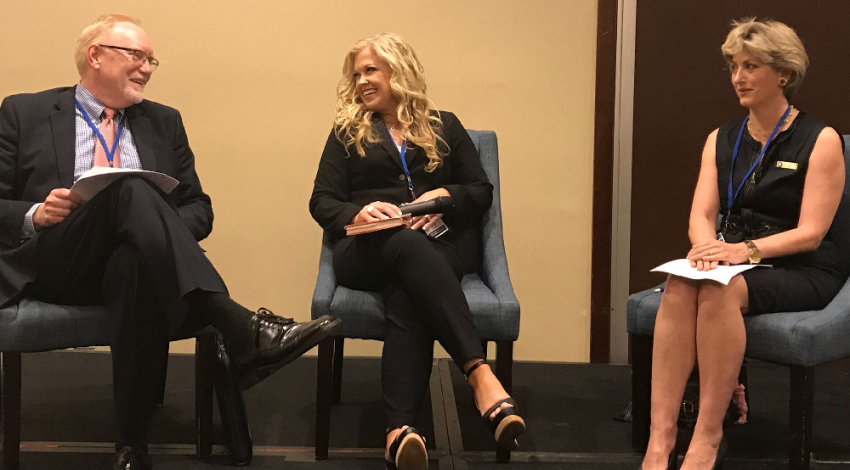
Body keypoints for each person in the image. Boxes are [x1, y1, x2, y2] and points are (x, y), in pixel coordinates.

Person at [0, 14, 339, 470]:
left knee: (133, 257)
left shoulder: (164, 122)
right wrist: (35, 213)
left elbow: (200, 209)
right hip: (56, 261)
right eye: (135, 55)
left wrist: (149, 226)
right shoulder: (25, 112)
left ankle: (131, 447)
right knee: (129, 188)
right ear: (95, 56)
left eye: (151, 59)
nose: (146, 68)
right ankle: (242, 328)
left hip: (137, 265)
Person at [310, 33, 526, 470]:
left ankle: (399, 430)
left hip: (434, 246)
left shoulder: (445, 124)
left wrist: (444, 196)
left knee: (408, 291)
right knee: (405, 246)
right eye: (356, 74)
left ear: (398, 69)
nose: (362, 81)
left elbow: (480, 191)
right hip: (365, 250)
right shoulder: (347, 132)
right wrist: (363, 210)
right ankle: (479, 375)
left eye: (371, 70)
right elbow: (322, 200)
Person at [640, 18, 846, 470]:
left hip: (800, 266)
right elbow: (700, 215)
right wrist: (704, 250)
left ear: (784, 73)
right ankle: (661, 440)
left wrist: (743, 253)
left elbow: (812, 232)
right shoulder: (722, 138)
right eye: (734, 66)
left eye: (751, 66)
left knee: (719, 290)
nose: (738, 77)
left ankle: (707, 438)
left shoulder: (821, 139)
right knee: (679, 286)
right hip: (733, 258)